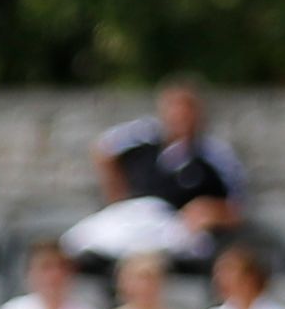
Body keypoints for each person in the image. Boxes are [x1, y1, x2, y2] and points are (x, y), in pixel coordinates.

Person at [68, 77, 245, 265]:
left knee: (186, 244)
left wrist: (209, 211)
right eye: (174, 109)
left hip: (174, 223)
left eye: (186, 110)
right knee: (77, 242)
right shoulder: (145, 138)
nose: (179, 116)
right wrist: (117, 194)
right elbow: (103, 149)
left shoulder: (214, 154)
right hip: (133, 216)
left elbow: (237, 208)